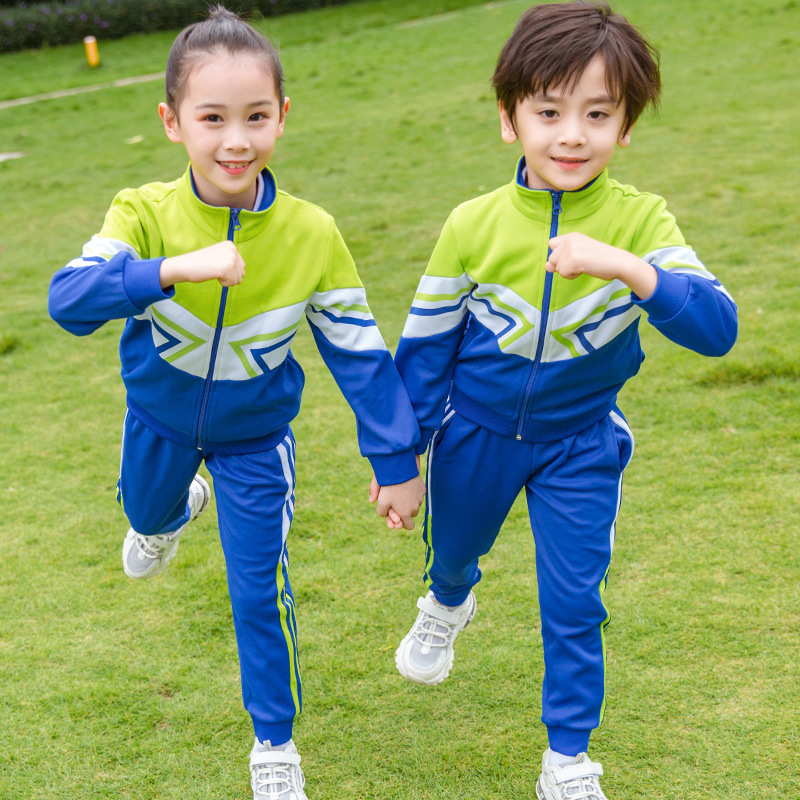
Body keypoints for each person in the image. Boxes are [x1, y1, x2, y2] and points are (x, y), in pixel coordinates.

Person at [48, 6, 425, 799]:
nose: (235, 141)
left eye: (256, 117)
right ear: (172, 122)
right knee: (145, 516)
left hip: (257, 442)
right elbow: (70, 300)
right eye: (211, 118)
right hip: (158, 422)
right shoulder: (142, 211)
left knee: (260, 587)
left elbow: (359, 353)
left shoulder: (313, 233)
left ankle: (275, 745)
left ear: (282, 117)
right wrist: (174, 267)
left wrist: (396, 461)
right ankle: (173, 512)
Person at [389, 3, 738, 798]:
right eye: (548, 111)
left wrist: (627, 266)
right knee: (453, 554)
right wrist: (398, 454)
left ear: (627, 128)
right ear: (510, 119)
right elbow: (424, 350)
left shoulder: (641, 221)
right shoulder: (471, 225)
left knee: (575, 601)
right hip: (473, 437)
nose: (571, 134)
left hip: (581, 444)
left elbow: (719, 329)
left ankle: (569, 759)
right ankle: (447, 602)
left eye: (597, 114)